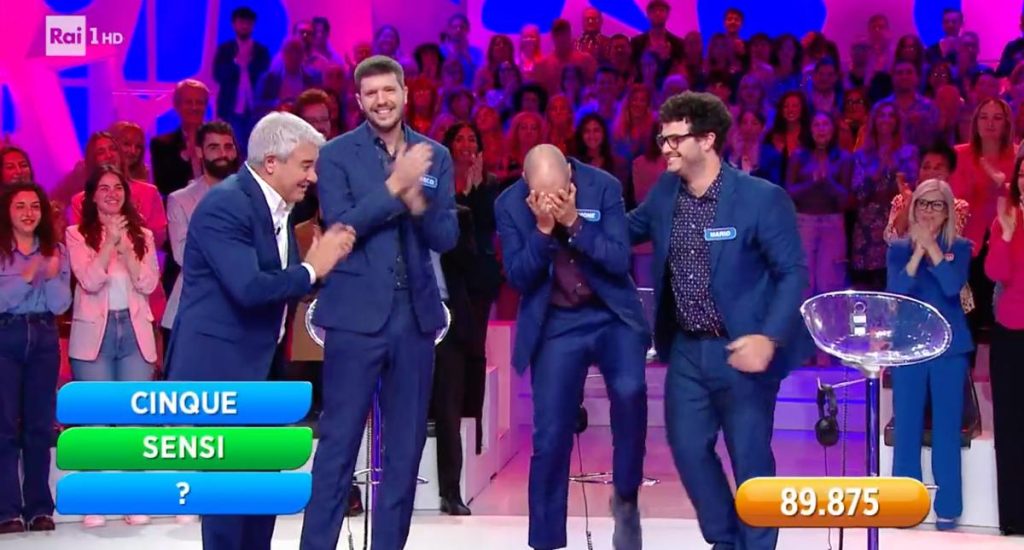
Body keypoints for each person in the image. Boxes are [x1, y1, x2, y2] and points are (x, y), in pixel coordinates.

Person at [627, 91, 812, 550]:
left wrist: (768, 338)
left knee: (750, 461)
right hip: (687, 350)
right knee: (688, 450)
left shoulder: (761, 198)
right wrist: (573, 218)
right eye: (662, 138)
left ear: (708, 140)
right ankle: (726, 540)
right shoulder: (665, 192)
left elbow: (793, 273)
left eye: (675, 139)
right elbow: (625, 230)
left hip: (742, 348)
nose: (666, 148)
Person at [164, 111, 354, 550]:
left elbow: (281, 280)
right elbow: (249, 288)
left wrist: (319, 270)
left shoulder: (278, 206)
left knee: (260, 490)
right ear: (272, 162)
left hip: (262, 367)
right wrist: (311, 269)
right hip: (222, 371)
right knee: (229, 498)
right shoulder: (227, 205)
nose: (312, 177)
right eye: (306, 165)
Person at [300, 55, 457, 550]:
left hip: (414, 319)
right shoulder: (335, 155)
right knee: (337, 448)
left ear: (405, 93)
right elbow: (343, 225)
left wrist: (418, 202)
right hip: (353, 318)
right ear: (359, 100)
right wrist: (394, 188)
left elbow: (446, 236)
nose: (382, 100)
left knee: (404, 453)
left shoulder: (434, 156)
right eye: (371, 93)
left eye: (389, 90)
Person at [495, 144, 649, 550]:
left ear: (570, 173)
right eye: (541, 195)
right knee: (550, 434)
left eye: (560, 191)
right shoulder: (508, 205)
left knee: (631, 391)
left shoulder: (604, 187)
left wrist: (574, 223)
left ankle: (626, 499)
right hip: (556, 320)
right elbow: (519, 277)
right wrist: (544, 230)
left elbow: (618, 259)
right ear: (526, 184)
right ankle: (545, 540)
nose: (552, 200)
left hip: (610, 313)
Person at [66, 165, 160, 528]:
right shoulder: (77, 235)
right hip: (95, 335)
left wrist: (127, 248)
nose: (111, 194)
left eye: (117, 187)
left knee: (133, 420)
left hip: (133, 332)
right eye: (103, 188)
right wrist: (108, 245)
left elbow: (148, 283)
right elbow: (89, 281)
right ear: (91, 196)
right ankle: (96, 500)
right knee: (96, 421)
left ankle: (133, 500)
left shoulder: (143, 235)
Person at [886, 179, 973, 531]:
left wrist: (934, 249)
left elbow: (952, 287)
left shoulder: (961, 247)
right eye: (923, 203)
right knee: (906, 426)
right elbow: (896, 293)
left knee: (946, 429)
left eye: (937, 204)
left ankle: (948, 507)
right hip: (909, 347)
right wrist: (918, 251)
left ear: (948, 211)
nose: (929, 210)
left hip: (949, 349)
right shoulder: (897, 249)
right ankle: (905, 505)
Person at [0, 183, 70, 535]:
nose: (28, 213)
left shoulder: (56, 249)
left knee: (39, 426)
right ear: (7, 212)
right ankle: (7, 511)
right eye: (20, 206)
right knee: (3, 426)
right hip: (5, 336)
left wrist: (51, 274)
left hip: (43, 336)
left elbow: (60, 303)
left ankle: (40, 507)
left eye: (35, 206)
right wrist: (29, 277)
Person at [161, 121, 240, 338]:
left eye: (228, 147)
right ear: (199, 152)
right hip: (194, 309)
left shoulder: (253, 197)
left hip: (241, 310)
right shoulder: (181, 200)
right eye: (214, 147)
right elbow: (183, 255)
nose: (222, 154)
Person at [986, 157, 1024, 535]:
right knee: (1010, 428)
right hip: (1011, 333)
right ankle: (1013, 517)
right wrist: (1009, 234)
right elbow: (996, 273)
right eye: (1023, 175)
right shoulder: (1005, 220)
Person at [213, 6, 271, 147]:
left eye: (248, 22)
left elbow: (266, 76)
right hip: (231, 109)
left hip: (256, 108)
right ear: (234, 24)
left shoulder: (261, 51)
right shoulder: (225, 49)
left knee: (255, 147)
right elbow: (217, 75)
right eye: (241, 22)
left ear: (253, 25)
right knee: (234, 146)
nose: (244, 26)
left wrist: (249, 64)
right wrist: (236, 63)